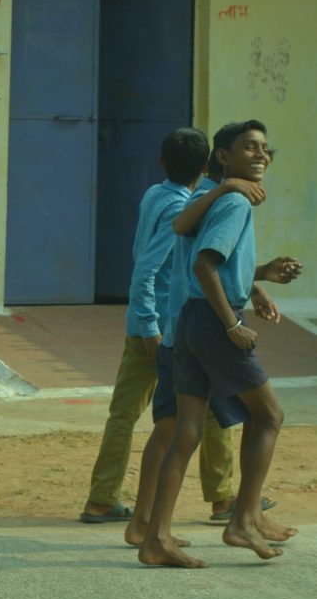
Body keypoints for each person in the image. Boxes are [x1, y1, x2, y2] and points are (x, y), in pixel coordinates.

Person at [81, 127, 264, 524]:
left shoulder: (154, 194)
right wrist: (150, 325)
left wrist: (255, 284)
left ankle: (107, 499)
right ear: (208, 165)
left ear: (163, 162)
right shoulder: (182, 208)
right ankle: (220, 500)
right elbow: (151, 270)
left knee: (145, 415)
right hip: (168, 326)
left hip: (158, 323)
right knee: (202, 414)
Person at [139, 119, 298, 567]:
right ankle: (243, 519)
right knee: (268, 415)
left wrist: (260, 278)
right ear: (223, 155)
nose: (261, 156)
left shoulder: (207, 196)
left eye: (266, 149)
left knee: (186, 431)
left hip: (187, 322)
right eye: (250, 147)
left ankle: (156, 538)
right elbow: (206, 267)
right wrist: (231, 324)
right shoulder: (234, 202)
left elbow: (201, 249)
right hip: (210, 320)